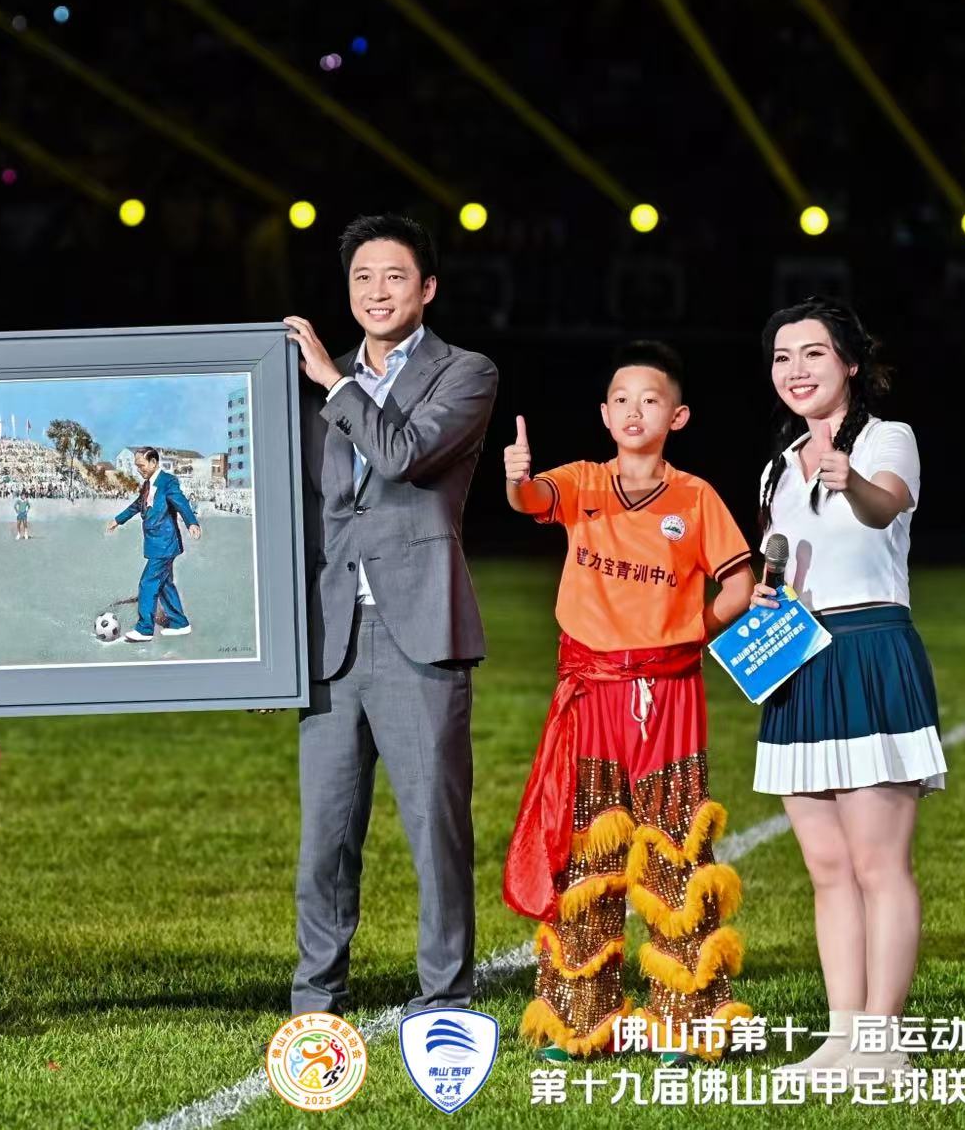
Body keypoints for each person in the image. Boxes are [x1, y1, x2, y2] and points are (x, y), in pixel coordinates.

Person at [501, 341, 755, 1063]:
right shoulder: (581, 481)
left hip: (669, 691)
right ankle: (580, 1017)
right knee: (588, 848)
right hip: (593, 693)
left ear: (676, 415)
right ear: (604, 414)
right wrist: (518, 479)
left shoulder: (695, 497)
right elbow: (530, 502)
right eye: (620, 398)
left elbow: (735, 584)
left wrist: (688, 633)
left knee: (676, 849)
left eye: (649, 399)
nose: (633, 409)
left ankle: (684, 1016)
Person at [281, 212, 498, 1017]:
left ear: (427, 288)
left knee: (433, 832)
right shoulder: (318, 378)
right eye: (362, 278)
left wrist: (333, 387)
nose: (376, 291)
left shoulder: (464, 372)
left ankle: (445, 993)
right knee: (324, 839)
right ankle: (314, 997)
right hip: (333, 638)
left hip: (421, 635)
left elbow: (404, 455)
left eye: (394, 276)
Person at [750, 297, 945, 1075]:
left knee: (877, 864)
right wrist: (765, 597)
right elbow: (782, 561)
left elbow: (883, 504)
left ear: (850, 364)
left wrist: (852, 478)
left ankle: (881, 1041)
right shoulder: (774, 465)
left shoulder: (886, 438)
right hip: (798, 659)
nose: (794, 370)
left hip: (869, 649)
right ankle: (840, 1036)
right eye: (780, 357)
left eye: (812, 354)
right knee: (826, 868)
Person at [105, 448, 201, 642]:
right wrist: (118, 520)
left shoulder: (167, 481)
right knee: (165, 585)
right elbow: (137, 505)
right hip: (156, 543)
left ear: (154, 462)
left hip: (165, 543)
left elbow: (181, 502)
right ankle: (180, 623)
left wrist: (192, 522)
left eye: (141, 465)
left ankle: (144, 629)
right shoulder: (147, 485)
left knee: (148, 583)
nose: (139, 470)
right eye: (137, 466)